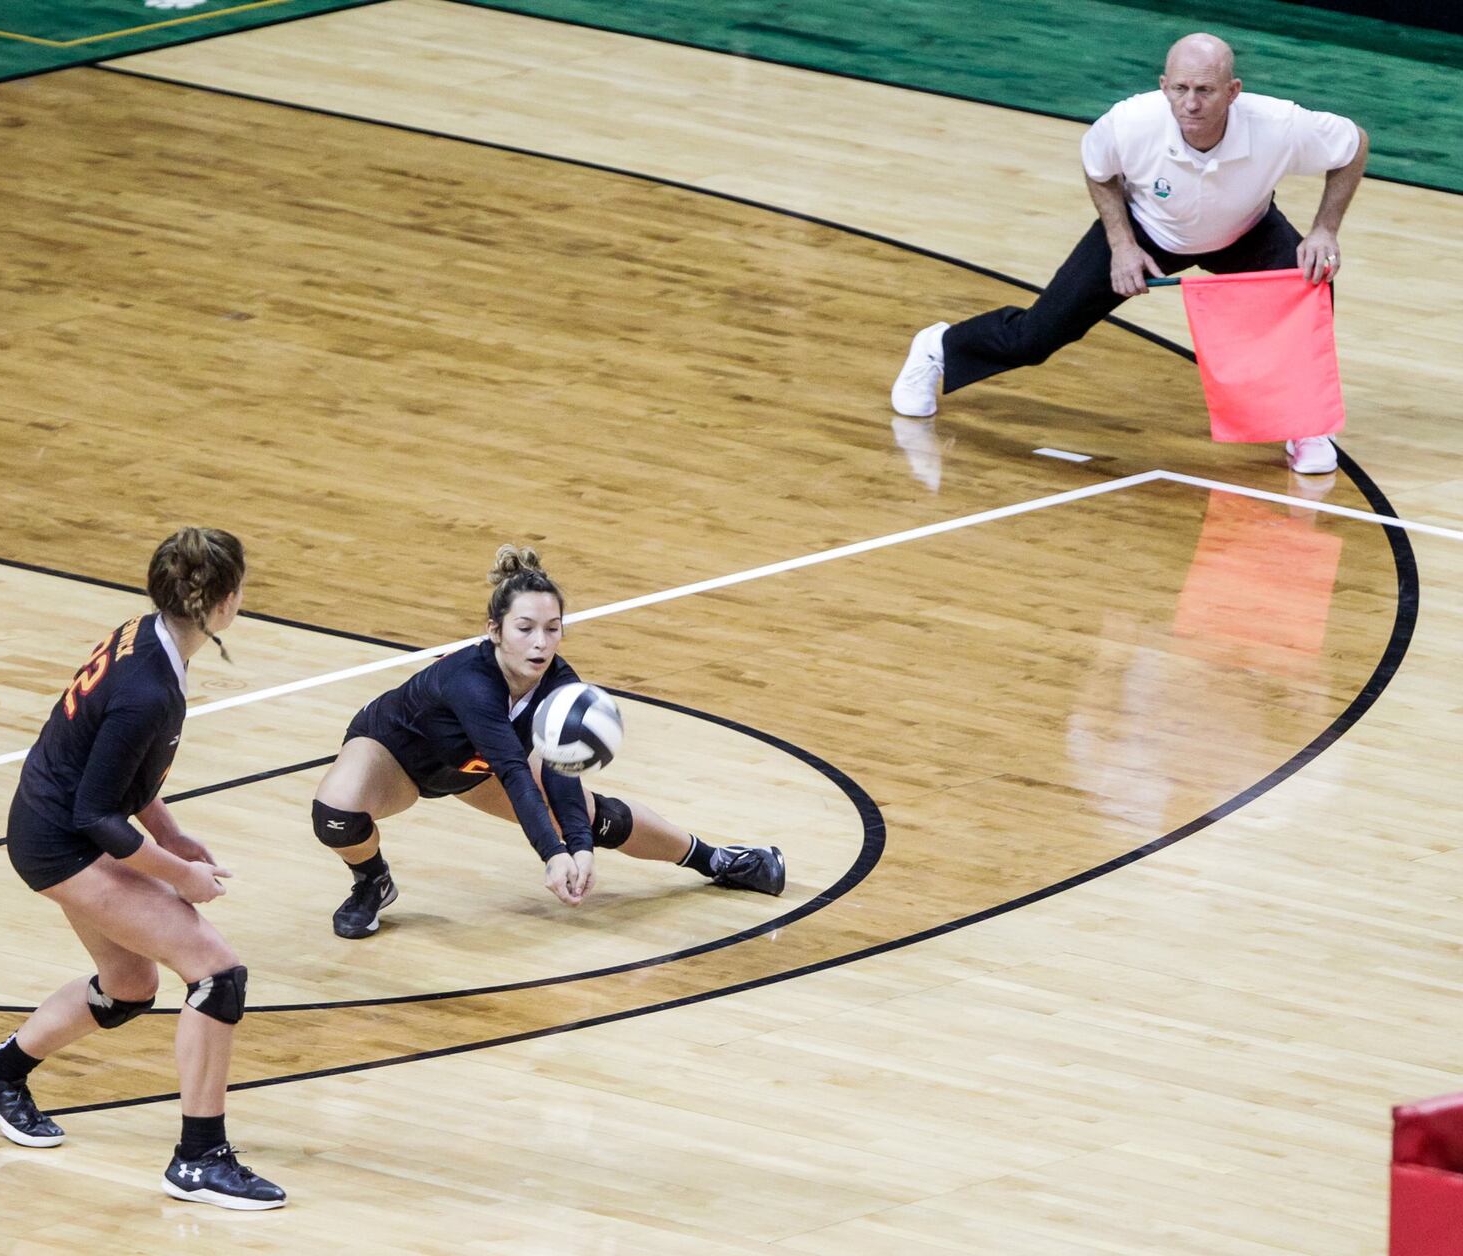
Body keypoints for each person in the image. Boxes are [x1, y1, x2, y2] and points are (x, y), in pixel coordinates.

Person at [0, 528, 286, 1211]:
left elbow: (118, 769)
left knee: (130, 985)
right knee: (218, 975)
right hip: (60, 840)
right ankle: (199, 1159)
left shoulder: (144, 634)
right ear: (223, 604)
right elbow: (97, 816)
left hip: (47, 823)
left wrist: (170, 831)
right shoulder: (148, 688)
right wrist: (177, 875)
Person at [892, 32, 1368, 475]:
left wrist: (1324, 229)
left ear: (1234, 90)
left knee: (1309, 285)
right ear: (1163, 86)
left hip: (1246, 231)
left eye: (1205, 90)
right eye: (1179, 88)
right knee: (1038, 336)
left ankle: (1305, 424)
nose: (1191, 103)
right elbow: (1098, 169)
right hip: (1146, 230)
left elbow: (1353, 145)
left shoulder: (1280, 124)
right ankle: (938, 347)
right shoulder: (1130, 123)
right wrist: (1121, 245)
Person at [312, 544, 786, 938]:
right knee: (337, 814)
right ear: (494, 631)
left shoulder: (561, 686)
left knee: (602, 819)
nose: (540, 643)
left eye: (552, 629)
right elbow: (516, 774)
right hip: (397, 753)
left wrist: (579, 846)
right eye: (525, 629)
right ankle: (372, 881)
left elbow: (561, 772)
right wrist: (553, 854)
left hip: (474, 767)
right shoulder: (470, 682)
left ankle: (718, 860)